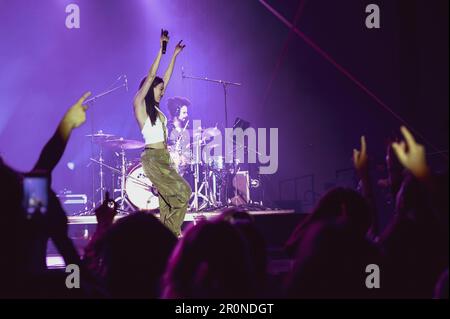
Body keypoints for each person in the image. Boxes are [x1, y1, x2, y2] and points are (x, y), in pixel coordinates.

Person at [133, 30, 191, 237]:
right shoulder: (139, 105)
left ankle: (167, 238)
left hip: (164, 158)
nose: (163, 91)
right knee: (183, 193)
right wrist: (162, 50)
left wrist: (174, 55)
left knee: (168, 203)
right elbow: (152, 76)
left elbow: (164, 78)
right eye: (159, 89)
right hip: (153, 158)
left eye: (163, 89)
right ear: (150, 90)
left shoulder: (156, 109)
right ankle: (171, 234)